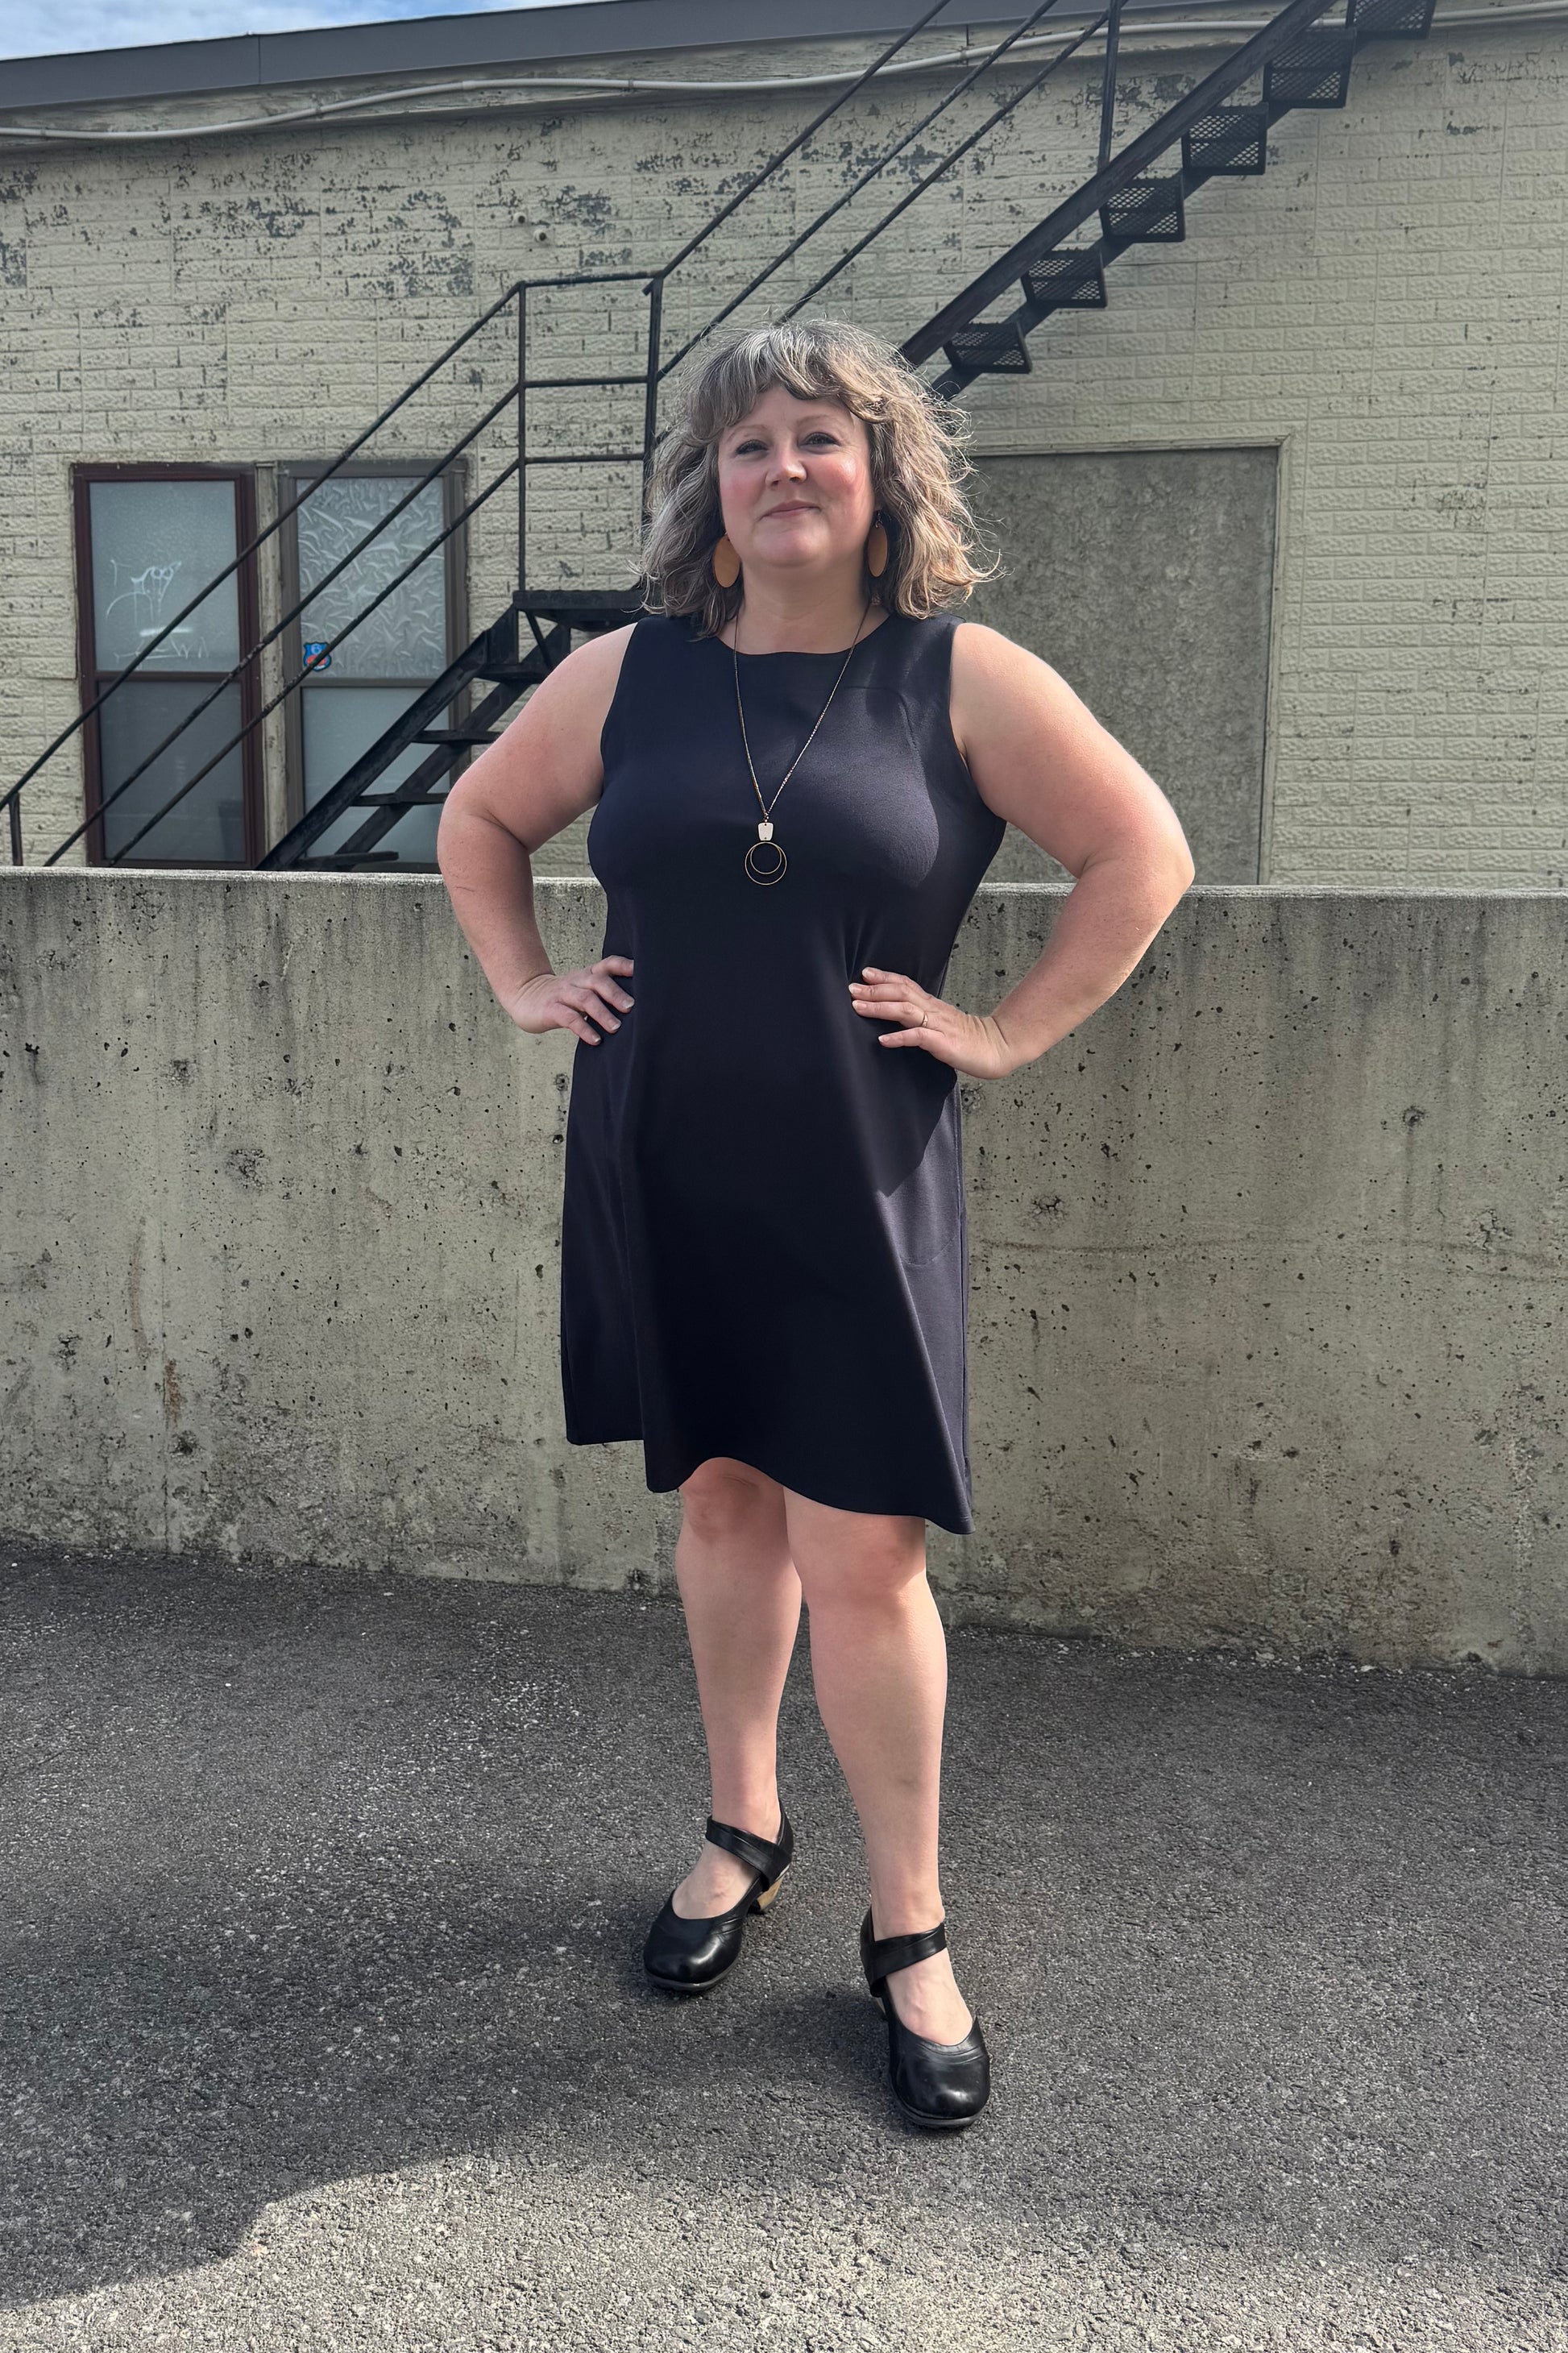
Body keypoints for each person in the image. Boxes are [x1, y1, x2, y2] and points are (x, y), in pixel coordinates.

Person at [436, 318, 1193, 2133]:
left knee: (863, 1554)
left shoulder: (963, 676)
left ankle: (909, 1926)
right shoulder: (631, 675)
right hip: (663, 1151)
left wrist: (1002, 1029)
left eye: (820, 438)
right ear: (711, 492)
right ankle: (740, 1823)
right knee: (717, 1497)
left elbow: (1137, 852)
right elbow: (478, 813)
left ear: (879, 482)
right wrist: (526, 980)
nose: (782, 465)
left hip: (857, 1170)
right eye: (748, 442)